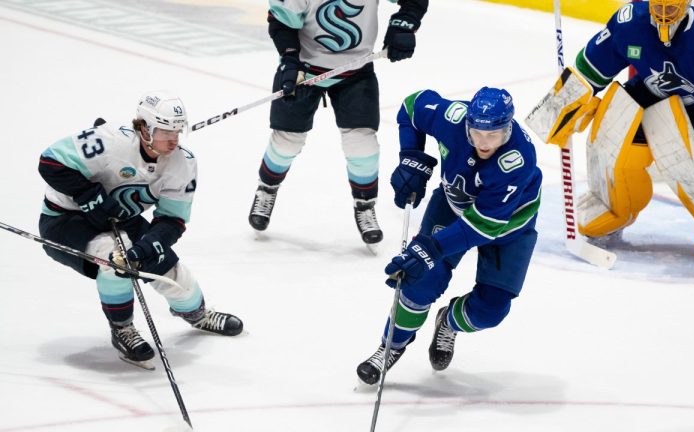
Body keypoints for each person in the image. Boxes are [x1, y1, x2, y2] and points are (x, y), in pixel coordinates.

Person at [526, 0, 694, 263]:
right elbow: (590, 66)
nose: (662, 15)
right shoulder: (629, 22)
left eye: (670, 9)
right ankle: (613, 208)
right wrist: (566, 102)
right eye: (657, 7)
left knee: (686, 159)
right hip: (648, 93)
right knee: (609, 134)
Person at [38, 91, 243, 368]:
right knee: (115, 261)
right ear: (144, 127)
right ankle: (122, 328)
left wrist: (149, 246)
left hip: (123, 219)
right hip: (65, 219)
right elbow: (50, 162)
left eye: (177, 131)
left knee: (171, 272)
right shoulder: (110, 141)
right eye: (166, 131)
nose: (173, 139)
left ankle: (197, 314)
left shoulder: (183, 163)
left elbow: (172, 221)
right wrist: (88, 195)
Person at [356, 87, 542, 384]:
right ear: (467, 122)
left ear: (508, 129)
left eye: (493, 135)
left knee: (490, 311)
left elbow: (483, 226)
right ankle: (391, 346)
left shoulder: (517, 161)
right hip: (453, 205)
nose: (484, 142)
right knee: (419, 280)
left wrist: (431, 248)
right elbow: (411, 108)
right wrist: (410, 156)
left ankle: (449, 322)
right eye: (477, 133)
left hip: (508, 229)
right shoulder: (451, 117)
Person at [248, 0, 429, 249]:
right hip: (304, 69)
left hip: (356, 71)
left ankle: (364, 204)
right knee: (287, 140)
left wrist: (404, 25)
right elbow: (280, 21)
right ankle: (267, 188)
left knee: (362, 144)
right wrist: (290, 59)